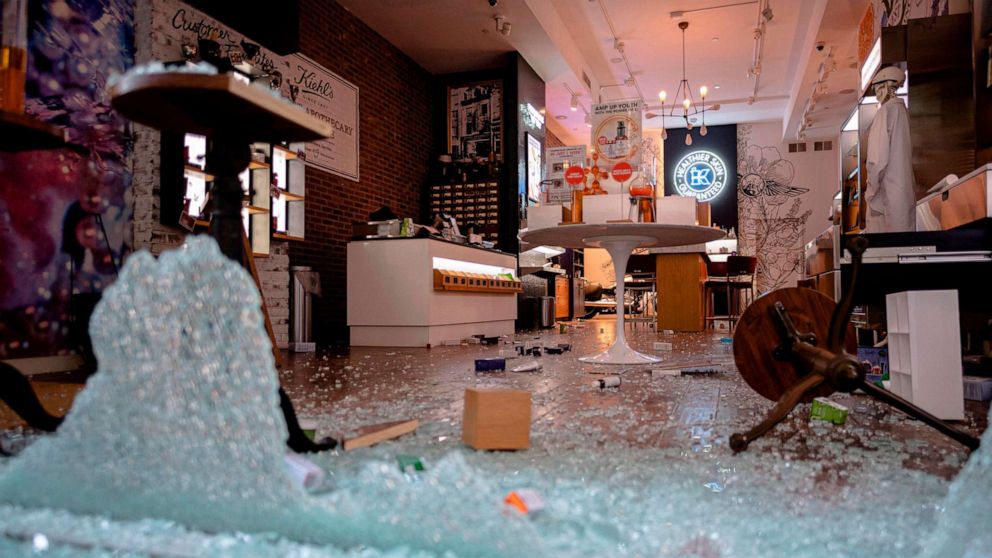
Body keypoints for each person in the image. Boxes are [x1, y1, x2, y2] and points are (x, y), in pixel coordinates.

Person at [865, 65, 915, 233]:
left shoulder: (885, 113)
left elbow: (876, 160)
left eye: (877, 88)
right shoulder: (902, 111)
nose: (877, 93)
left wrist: (870, 192)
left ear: (885, 87)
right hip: (903, 197)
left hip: (886, 201)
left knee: (886, 251)